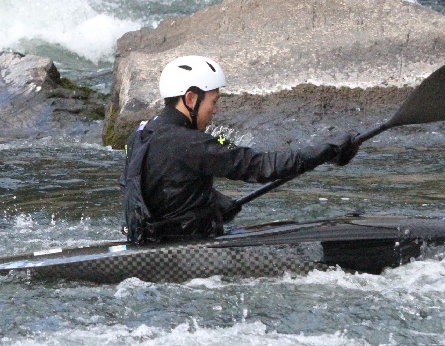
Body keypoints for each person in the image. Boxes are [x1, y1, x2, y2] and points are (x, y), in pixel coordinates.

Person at [120, 55, 360, 244]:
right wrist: (326, 150)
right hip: (189, 248)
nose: (215, 110)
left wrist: (213, 201)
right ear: (190, 99)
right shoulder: (191, 142)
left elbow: (145, 185)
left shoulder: (140, 134)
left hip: (148, 242)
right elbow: (261, 166)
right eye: (213, 102)